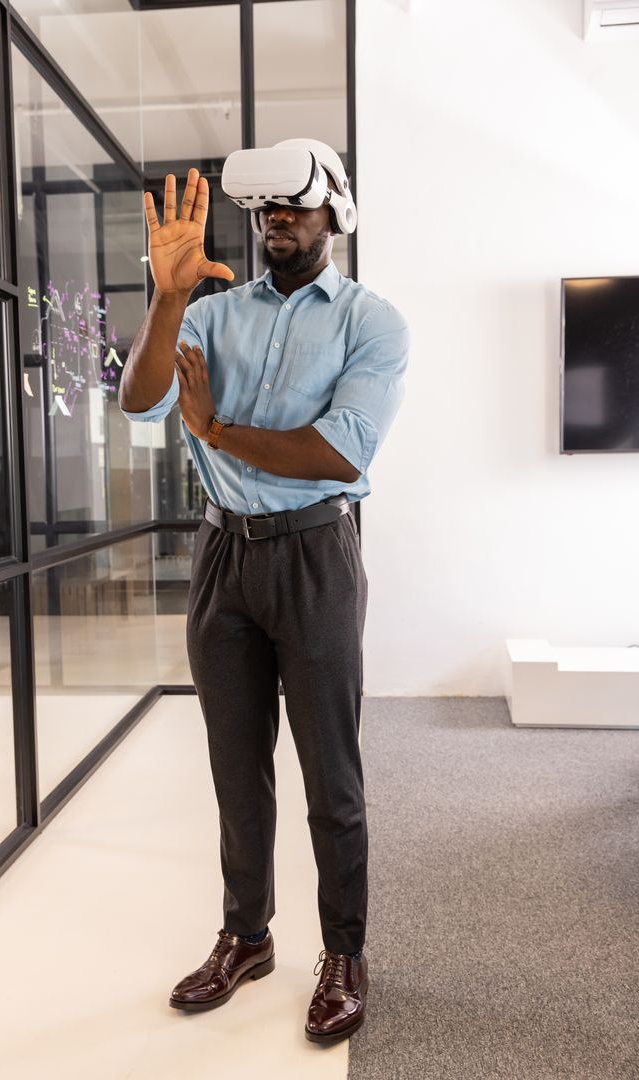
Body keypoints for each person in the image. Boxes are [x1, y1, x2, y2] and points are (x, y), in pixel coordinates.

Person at [119, 140, 409, 1044]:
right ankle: (246, 937)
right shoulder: (211, 314)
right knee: (236, 769)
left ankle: (345, 953)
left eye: (297, 206)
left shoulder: (373, 322)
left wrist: (217, 429)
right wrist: (168, 300)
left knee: (331, 771)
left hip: (315, 555)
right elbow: (139, 402)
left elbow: (337, 453)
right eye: (266, 211)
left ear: (337, 214)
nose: (278, 221)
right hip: (223, 560)